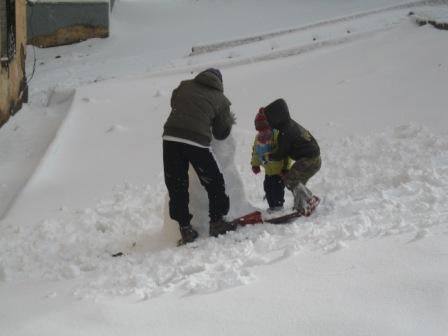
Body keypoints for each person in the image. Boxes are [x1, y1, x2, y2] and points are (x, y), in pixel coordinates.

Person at [162, 68, 237, 244]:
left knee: (177, 185)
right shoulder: (221, 100)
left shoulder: (184, 85)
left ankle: (185, 229)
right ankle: (217, 222)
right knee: (214, 181)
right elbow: (221, 132)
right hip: (196, 141)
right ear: (220, 83)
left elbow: (174, 102)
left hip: (170, 137)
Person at [262, 98, 321, 215]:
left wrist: (268, 156)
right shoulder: (289, 125)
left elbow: (281, 154)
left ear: (276, 117)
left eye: (269, 120)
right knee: (298, 183)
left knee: (290, 179)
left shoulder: (286, 132)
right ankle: (301, 206)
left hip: (309, 159)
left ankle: (310, 200)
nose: (268, 123)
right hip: (315, 158)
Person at [250, 108, 292, 212]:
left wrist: (286, 168)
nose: (263, 132)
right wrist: (255, 164)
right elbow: (256, 152)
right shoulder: (258, 138)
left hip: (279, 171)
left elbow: (286, 153)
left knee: (276, 189)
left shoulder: (278, 135)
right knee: (267, 188)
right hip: (268, 171)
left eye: (264, 129)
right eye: (260, 130)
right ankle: (272, 206)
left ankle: (278, 206)